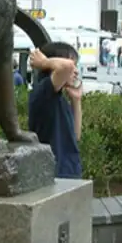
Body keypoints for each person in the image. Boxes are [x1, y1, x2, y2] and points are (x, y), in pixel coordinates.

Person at [28, 42, 82, 179]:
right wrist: (44, 62)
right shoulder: (43, 92)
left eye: (76, 65)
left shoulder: (59, 99)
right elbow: (66, 66)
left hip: (69, 171)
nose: (75, 70)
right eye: (72, 65)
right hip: (53, 174)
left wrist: (76, 101)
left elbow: (75, 136)